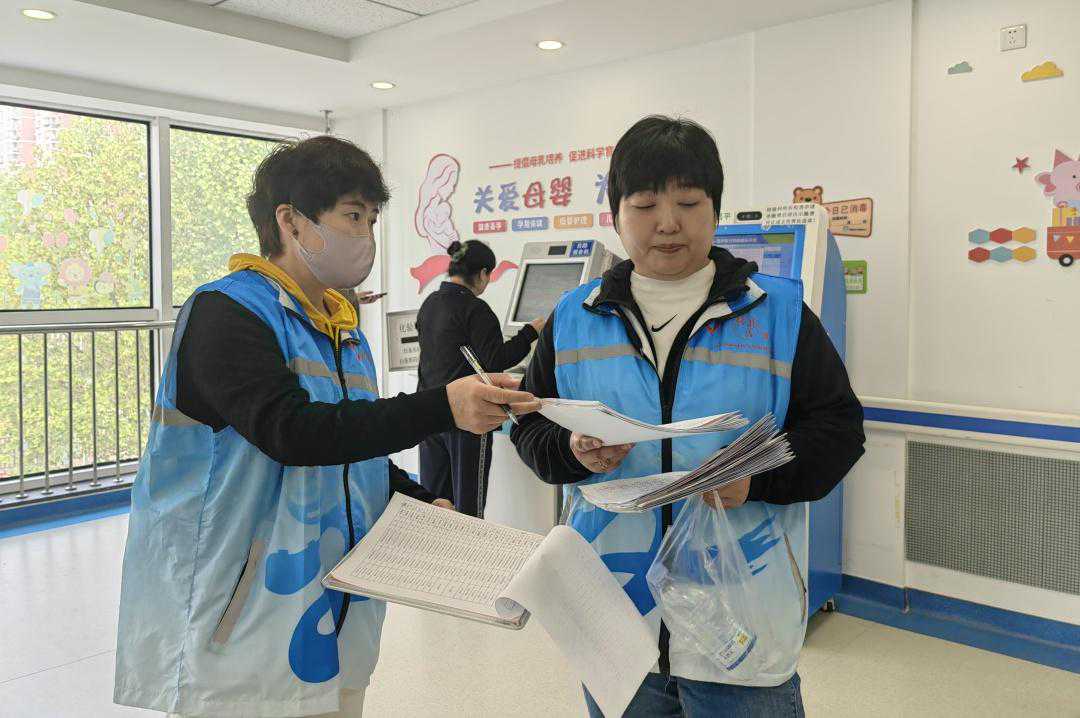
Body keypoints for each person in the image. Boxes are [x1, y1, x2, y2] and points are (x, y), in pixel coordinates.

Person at [113, 136, 539, 718]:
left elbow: (350, 443)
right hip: (239, 618)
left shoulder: (341, 328)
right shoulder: (226, 311)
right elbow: (293, 432)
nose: (366, 235)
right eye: (352, 216)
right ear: (290, 221)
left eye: (372, 219)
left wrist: (417, 502)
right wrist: (443, 407)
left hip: (330, 610)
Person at [510, 116, 865, 717]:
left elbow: (838, 430)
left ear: (715, 210)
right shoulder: (573, 317)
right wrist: (572, 451)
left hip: (743, 618)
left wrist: (759, 480)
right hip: (614, 617)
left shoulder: (777, 312)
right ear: (616, 215)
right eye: (645, 204)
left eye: (688, 202)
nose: (668, 222)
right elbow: (531, 427)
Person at [416, 239, 544, 517]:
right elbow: (496, 360)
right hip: (468, 421)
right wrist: (531, 332)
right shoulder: (476, 309)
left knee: (435, 504)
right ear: (484, 273)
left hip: (429, 414)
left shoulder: (430, 304)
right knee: (468, 508)